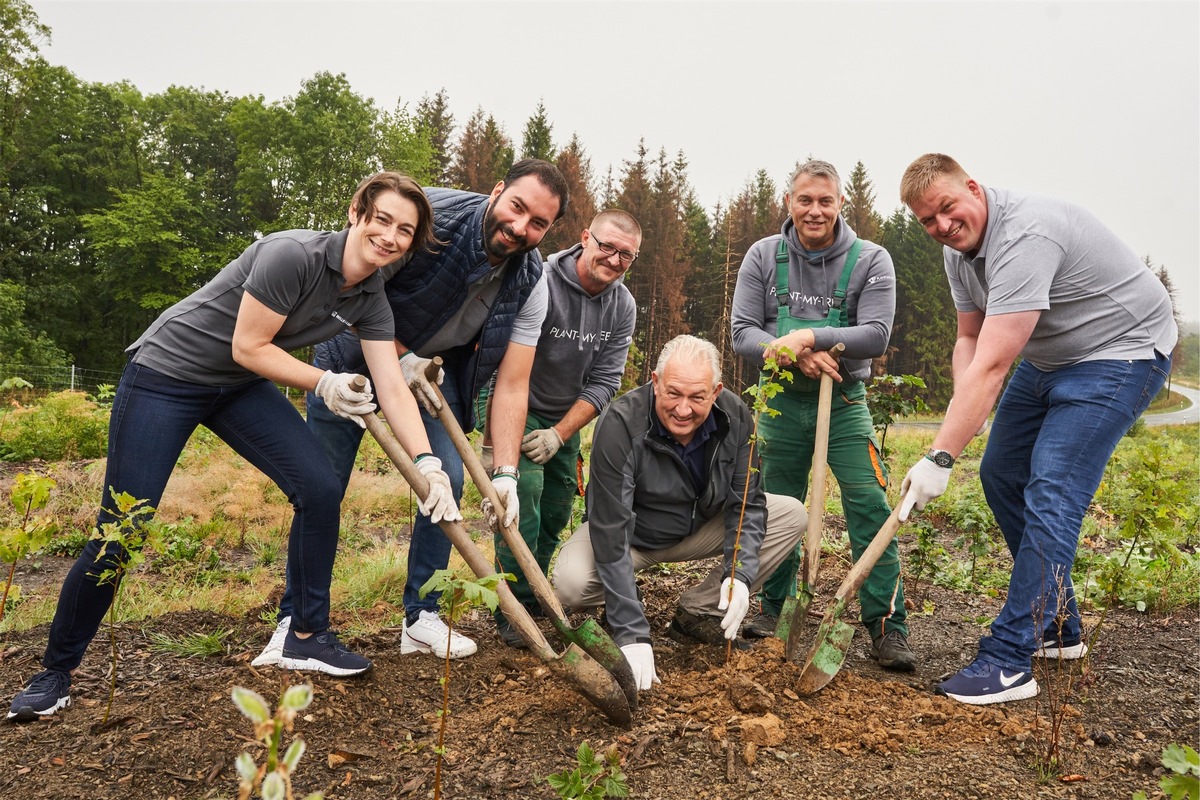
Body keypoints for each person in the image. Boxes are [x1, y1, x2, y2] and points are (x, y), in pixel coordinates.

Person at [7, 172, 459, 722]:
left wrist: (428, 463)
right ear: (355, 213)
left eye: (404, 230)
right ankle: (55, 672)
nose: (389, 236)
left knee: (318, 487)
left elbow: (390, 383)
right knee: (122, 527)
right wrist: (324, 382)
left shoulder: (370, 297)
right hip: (166, 376)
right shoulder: (292, 254)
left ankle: (307, 633)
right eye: (382, 220)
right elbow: (248, 345)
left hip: (236, 388)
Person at [252, 159, 569, 665]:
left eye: (538, 223)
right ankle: (297, 621)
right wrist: (399, 357)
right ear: (496, 191)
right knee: (321, 487)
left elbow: (512, 383)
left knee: (446, 483)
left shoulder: (532, 281)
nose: (520, 227)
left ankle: (422, 616)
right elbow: (350, 284)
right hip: (350, 367)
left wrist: (506, 471)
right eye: (517, 207)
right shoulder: (426, 221)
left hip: (429, 384)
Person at [897, 153, 1176, 705]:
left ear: (972, 188)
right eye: (927, 221)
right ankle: (1059, 626)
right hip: (1051, 359)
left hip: (1122, 353)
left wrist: (940, 456)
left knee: (1052, 488)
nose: (942, 228)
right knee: (1002, 471)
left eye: (948, 209)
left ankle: (1008, 660)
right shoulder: (961, 255)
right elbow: (970, 345)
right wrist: (962, 417)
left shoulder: (1025, 235)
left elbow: (997, 365)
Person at [730, 159, 914, 671]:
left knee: (870, 505)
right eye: (805, 200)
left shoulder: (870, 259)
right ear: (788, 203)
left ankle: (886, 625)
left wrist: (809, 335)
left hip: (846, 404)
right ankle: (772, 609)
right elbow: (743, 331)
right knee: (772, 506)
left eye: (825, 201)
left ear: (839, 205)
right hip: (780, 403)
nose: (815, 210)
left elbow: (875, 334)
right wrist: (792, 354)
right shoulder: (764, 256)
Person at [552, 335, 807, 690]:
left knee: (792, 514)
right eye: (673, 393)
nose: (683, 409)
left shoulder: (736, 418)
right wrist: (631, 629)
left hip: (698, 528)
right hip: (629, 538)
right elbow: (610, 528)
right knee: (570, 583)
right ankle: (622, 597)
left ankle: (699, 610)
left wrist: (740, 574)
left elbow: (746, 503)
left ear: (715, 392)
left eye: (697, 397)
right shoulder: (621, 422)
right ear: (655, 382)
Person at [488, 210, 640, 648]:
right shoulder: (542, 279)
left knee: (556, 510)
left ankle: (534, 590)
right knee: (524, 500)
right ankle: (513, 607)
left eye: (625, 255)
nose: (613, 259)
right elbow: (507, 361)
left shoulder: (622, 305)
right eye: (606, 247)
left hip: (564, 417)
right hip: (512, 399)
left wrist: (559, 432)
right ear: (585, 237)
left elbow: (606, 381)